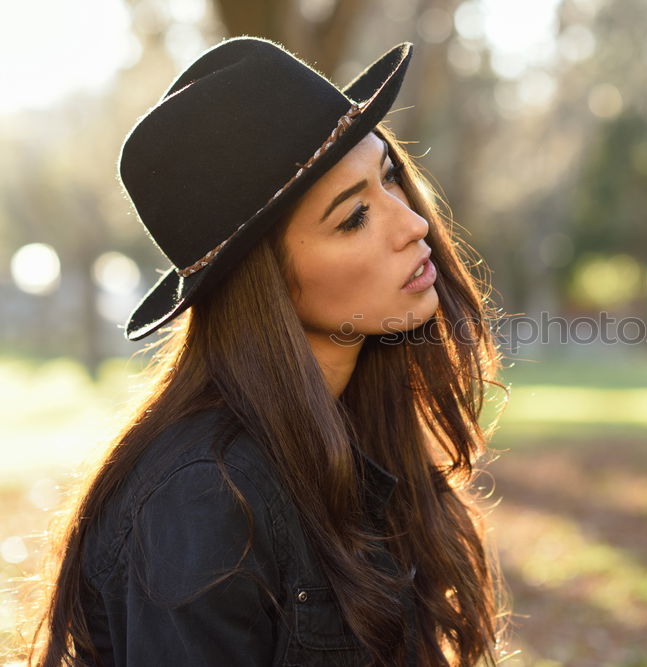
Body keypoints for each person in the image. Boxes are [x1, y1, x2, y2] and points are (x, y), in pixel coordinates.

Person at [27, 36, 509, 667]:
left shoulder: (362, 430)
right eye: (353, 218)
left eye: (388, 177)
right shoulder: (202, 503)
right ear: (267, 284)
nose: (412, 223)